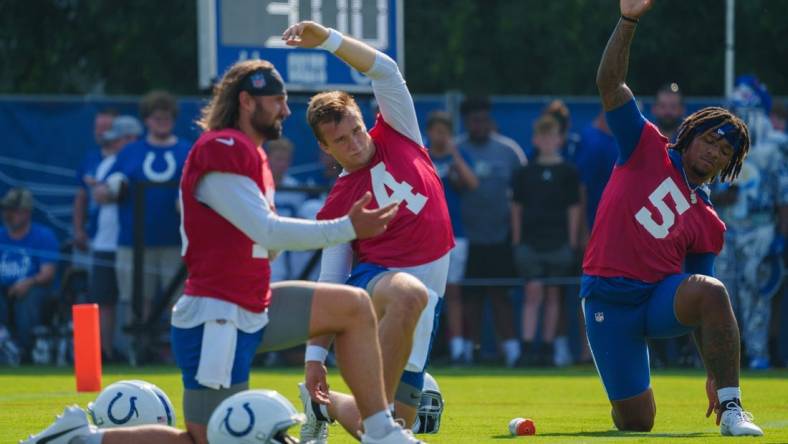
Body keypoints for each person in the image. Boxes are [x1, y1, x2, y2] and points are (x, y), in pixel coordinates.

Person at [22, 58, 420, 444]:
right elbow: (266, 230)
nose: (285, 108)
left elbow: (263, 243)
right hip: (216, 316)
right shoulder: (221, 147)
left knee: (352, 306)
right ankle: (79, 438)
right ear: (247, 101)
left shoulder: (250, 154)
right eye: (276, 98)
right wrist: (348, 227)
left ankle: (381, 430)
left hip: (252, 304)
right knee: (201, 440)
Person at [582, 0, 762, 436]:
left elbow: (706, 304)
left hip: (657, 301)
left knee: (714, 290)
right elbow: (610, 82)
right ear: (690, 133)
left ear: (727, 167)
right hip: (609, 299)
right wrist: (628, 21)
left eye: (724, 153)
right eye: (710, 142)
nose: (713, 153)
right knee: (637, 422)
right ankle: (624, 403)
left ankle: (733, 408)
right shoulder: (645, 146)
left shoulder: (709, 221)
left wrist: (716, 374)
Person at [282, 20, 452, 440]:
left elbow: (386, 70)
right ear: (325, 148)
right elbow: (331, 281)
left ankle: (324, 404)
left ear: (365, 120)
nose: (356, 143)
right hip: (380, 286)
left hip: (424, 303)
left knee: (388, 426)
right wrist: (314, 356)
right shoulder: (338, 202)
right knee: (410, 293)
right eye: (341, 140)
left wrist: (327, 40)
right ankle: (370, 414)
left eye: (356, 129)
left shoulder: (399, 131)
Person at [96, 91, 191, 356]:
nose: (162, 121)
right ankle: (137, 356)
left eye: (167, 117)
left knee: (179, 302)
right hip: (133, 242)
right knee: (137, 302)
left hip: (177, 243)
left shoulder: (186, 151)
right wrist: (108, 191)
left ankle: (179, 354)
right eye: (156, 117)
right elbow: (110, 187)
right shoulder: (130, 151)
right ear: (147, 120)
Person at [714, 75, 788, 370]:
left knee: (756, 292)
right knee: (723, 295)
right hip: (727, 229)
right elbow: (707, 190)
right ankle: (727, 357)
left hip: (760, 228)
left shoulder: (775, 146)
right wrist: (723, 197)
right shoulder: (719, 143)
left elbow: (784, 196)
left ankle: (758, 354)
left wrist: (782, 237)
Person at [456, 96, 526, 367]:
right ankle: (469, 351)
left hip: (501, 238)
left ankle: (511, 352)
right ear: (466, 122)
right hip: (467, 240)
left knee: (501, 298)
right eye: (474, 120)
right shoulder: (457, 150)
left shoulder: (509, 152)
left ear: (491, 121)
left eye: (483, 119)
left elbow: (522, 196)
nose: (479, 125)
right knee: (470, 300)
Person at [511, 115, 581, 366]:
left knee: (553, 295)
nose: (548, 141)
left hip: (559, 243)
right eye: (543, 136)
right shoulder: (525, 172)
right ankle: (527, 349)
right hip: (530, 243)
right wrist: (518, 240)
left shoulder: (568, 172)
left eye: (553, 136)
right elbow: (516, 208)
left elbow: (574, 209)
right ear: (535, 140)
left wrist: (573, 242)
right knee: (532, 293)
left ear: (560, 139)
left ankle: (548, 349)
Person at [76, 115, 143, 361]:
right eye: (118, 139)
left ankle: (133, 351)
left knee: (132, 299)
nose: (118, 144)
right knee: (104, 301)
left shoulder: (139, 160)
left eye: (123, 139)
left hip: (130, 242)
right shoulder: (107, 164)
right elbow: (98, 195)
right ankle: (104, 352)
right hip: (105, 242)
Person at [425, 111, 478, 364]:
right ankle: (424, 347)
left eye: (445, 131)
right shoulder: (421, 156)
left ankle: (457, 349)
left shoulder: (458, 157)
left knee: (454, 293)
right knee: (424, 293)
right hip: (424, 234)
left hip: (455, 234)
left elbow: (472, 183)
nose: (441, 136)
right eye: (437, 131)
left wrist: (454, 155)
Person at [0, 188, 58, 362]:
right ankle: (5, 345)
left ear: (26, 213)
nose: (8, 215)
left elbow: (48, 273)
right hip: (3, 289)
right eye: (6, 210)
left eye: (13, 211)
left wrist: (28, 282)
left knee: (27, 299)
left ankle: (25, 351)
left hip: (35, 287)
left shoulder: (43, 236)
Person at [73, 109, 117, 252]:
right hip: (94, 236)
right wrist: (78, 230)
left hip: (121, 237)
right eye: (97, 127)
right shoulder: (90, 159)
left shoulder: (126, 158)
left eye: (105, 128)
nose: (100, 132)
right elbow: (81, 197)